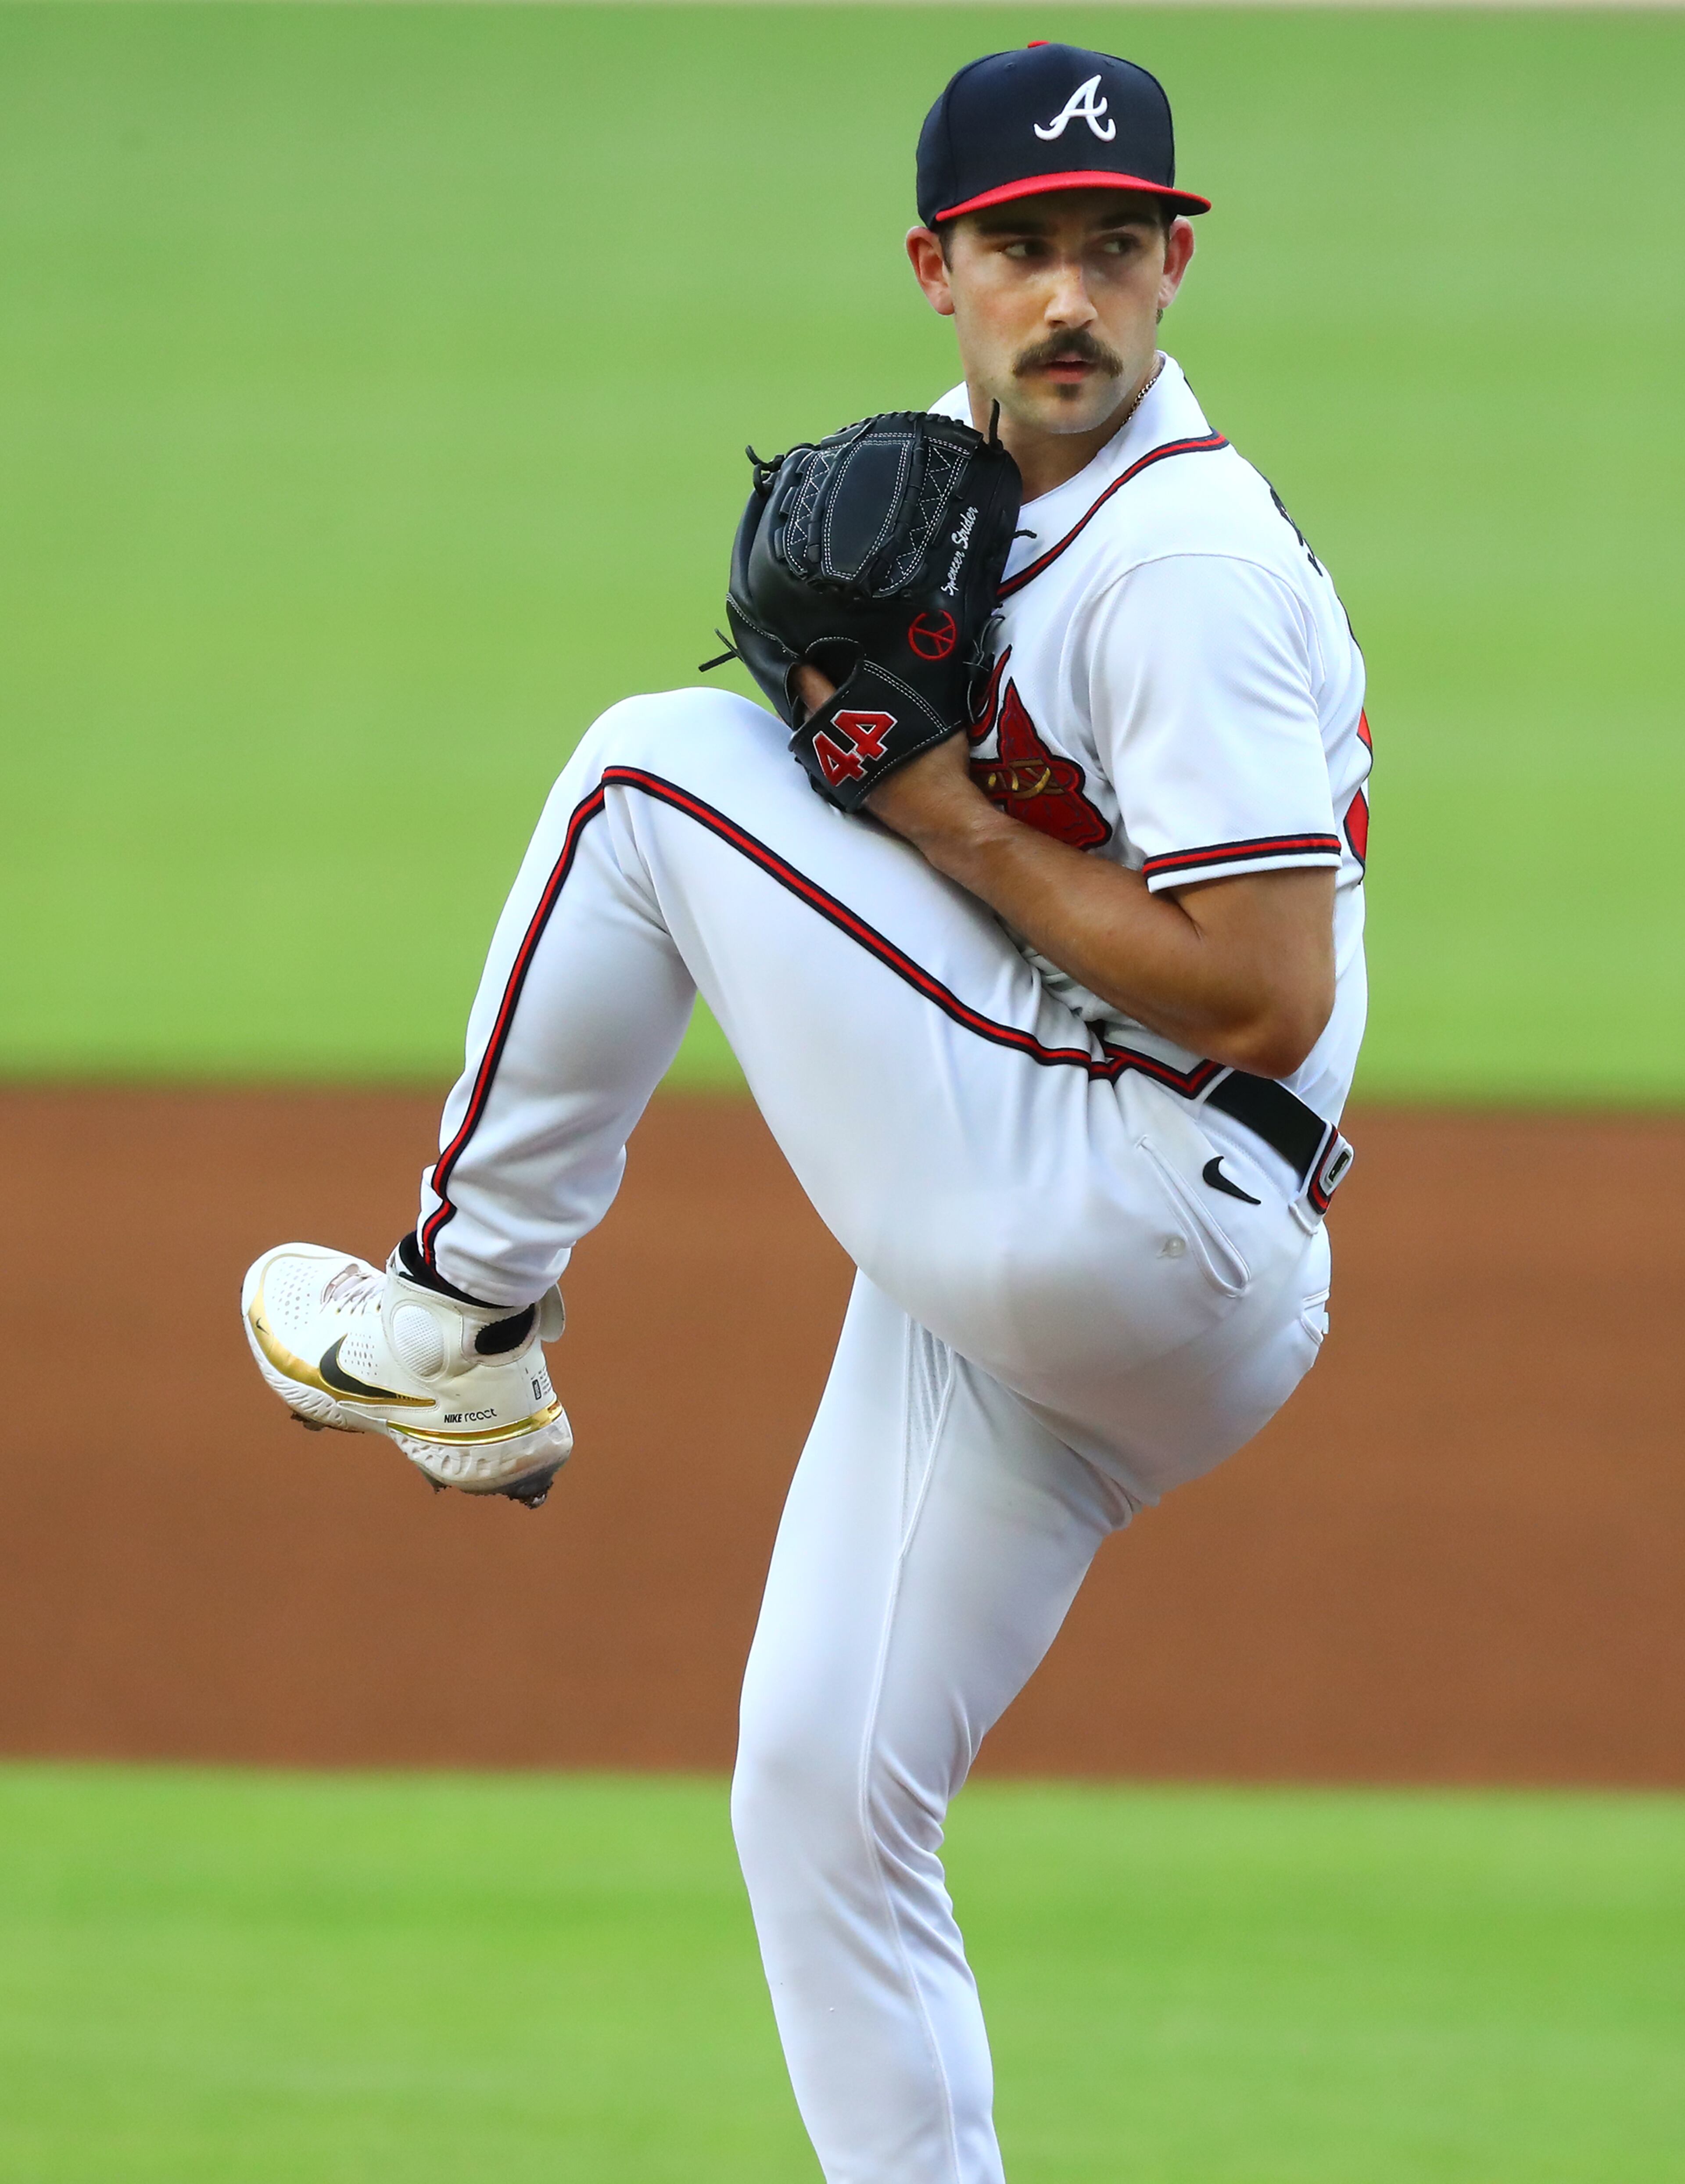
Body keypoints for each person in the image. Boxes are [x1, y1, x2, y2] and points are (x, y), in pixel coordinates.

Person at [241, 43, 1370, 2183]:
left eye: (1114, 255)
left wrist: (927, 800)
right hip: (1092, 1244)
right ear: (937, 268)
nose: (1071, 303)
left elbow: (1264, 983)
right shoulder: (992, 475)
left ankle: (462, 1312)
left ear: (1174, 266)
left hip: (1133, 1194)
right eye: (1025, 254)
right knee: (819, 1788)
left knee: (650, 770)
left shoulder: (1179, 566)